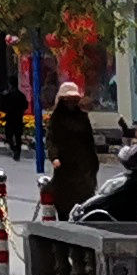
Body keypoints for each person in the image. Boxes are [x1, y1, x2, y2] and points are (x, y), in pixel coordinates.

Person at [42, 84, 98, 216]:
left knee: (84, 200)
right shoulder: (56, 119)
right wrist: (54, 157)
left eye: (74, 100)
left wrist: (93, 166)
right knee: (64, 200)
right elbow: (51, 139)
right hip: (64, 166)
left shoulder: (82, 118)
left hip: (82, 166)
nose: (71, 103)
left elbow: (89, 142)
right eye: (68, 100)